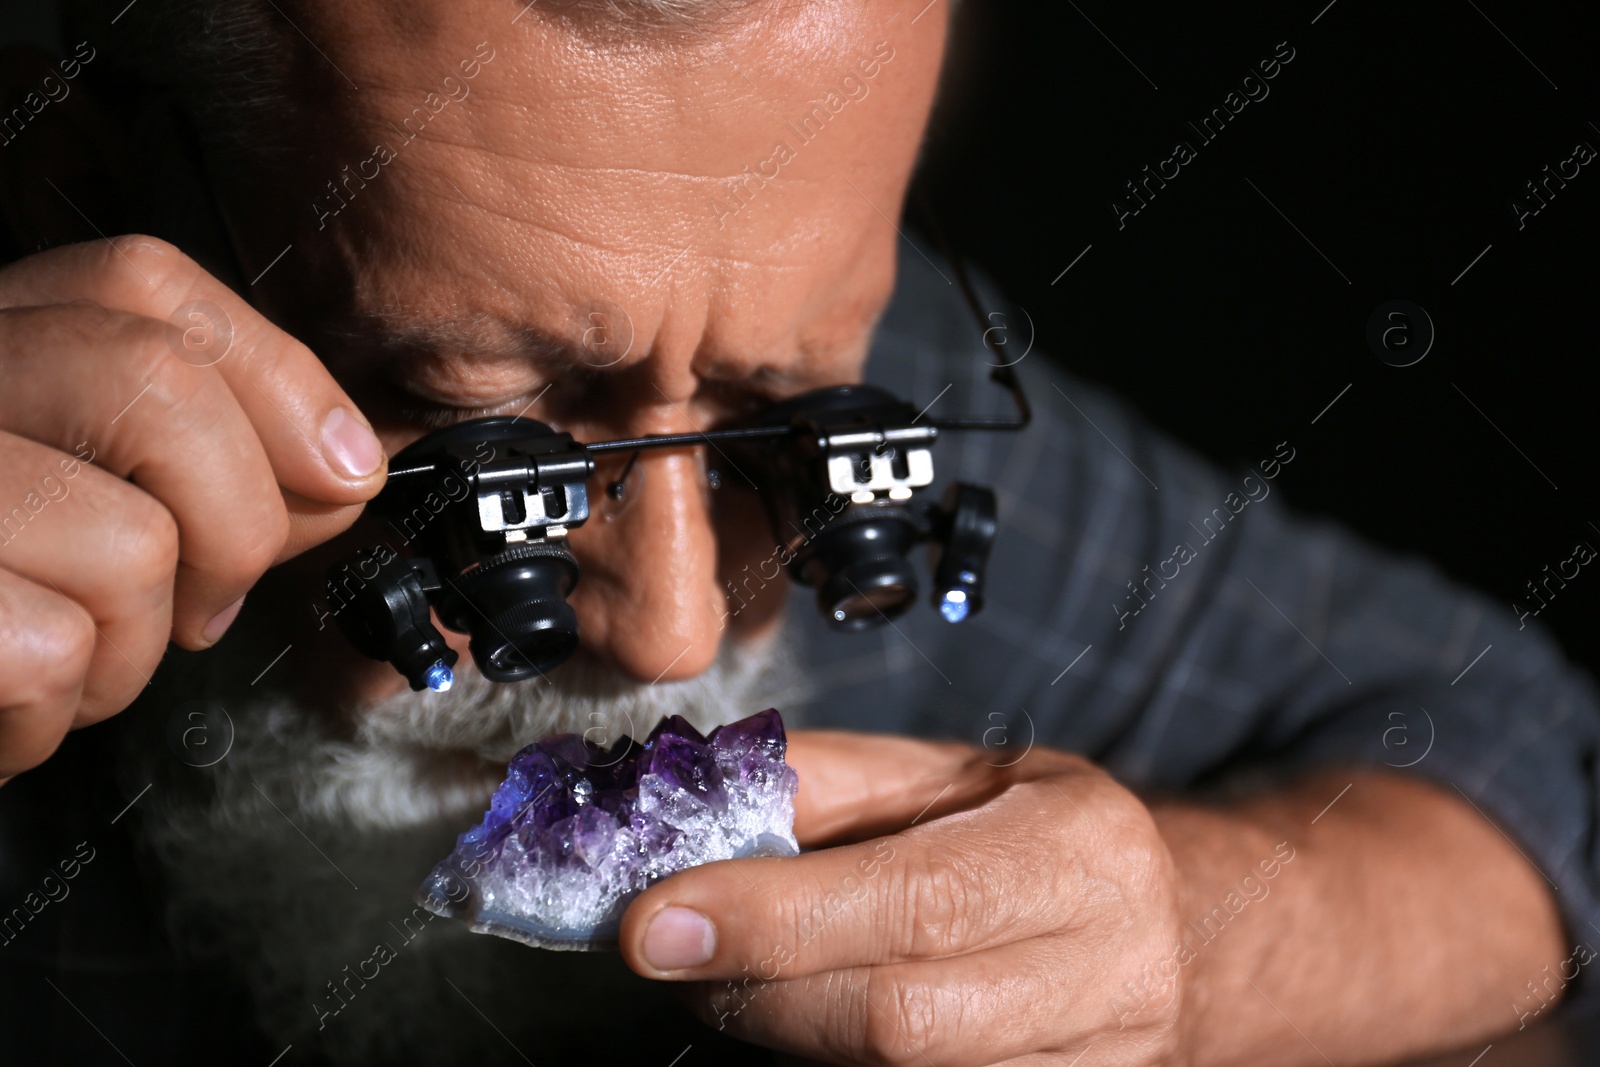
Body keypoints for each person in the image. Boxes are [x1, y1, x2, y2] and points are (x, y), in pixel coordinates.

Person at [0, 1, 1596, 1064]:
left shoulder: (860, 419)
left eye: (783, 411)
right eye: (481, 420)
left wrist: (1182, 945)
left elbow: (1535, 755)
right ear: (90, 204)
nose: (684, 628)